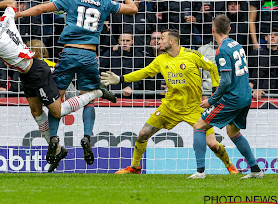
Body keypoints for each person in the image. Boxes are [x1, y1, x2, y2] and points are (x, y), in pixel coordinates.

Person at [0, 0, 117, 172]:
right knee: (36, 112)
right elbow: (12, 2)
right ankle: (57, 150)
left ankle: (97, 92)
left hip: (37, 70)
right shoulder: (7, 18)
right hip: (26, 74)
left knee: (57, 111)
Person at [15, 0, 138, 166]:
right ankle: (87, 137)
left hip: (69, 53)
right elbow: (133, 9)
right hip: (89, 56)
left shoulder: (72, 1)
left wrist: (20, 14)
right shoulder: (105, 4)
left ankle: (54, 138)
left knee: (56, 100)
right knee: (88, 98)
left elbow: (40, 9)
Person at [101, 29, 238, 175]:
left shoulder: (192, 55)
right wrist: (121, 79)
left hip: (193, 108)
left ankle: (230, 166)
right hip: (169, 107)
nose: (158, 41)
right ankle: (135, 167)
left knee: (213, 144)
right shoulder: (160, 60)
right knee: (143, 134)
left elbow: (212, 67)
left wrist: (215, 91)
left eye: (162, 38)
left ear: (172, 41)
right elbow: (143, 72)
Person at [189, 15, 263, 179]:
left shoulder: (221, 50)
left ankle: (200, 171)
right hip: (245, 95)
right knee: (233, 132)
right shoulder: (236, 44)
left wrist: (211, 100)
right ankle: (256, 169)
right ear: (229, 29)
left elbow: (226, 81)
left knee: (199, 127)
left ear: (213, 29)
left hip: (233, 98)